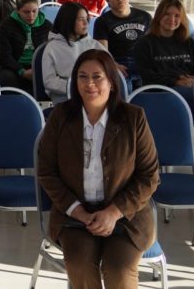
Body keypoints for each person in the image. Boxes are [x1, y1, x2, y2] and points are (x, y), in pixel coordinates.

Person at [36, 50, 160, 289]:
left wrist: (113, 212)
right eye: (82, 77)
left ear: (111, 82)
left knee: (119, 270)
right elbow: (46, 171)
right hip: (75, 215)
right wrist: (77, 211)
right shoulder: (60, 116)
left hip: (126, 215)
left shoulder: (133, 117)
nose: (89, 84)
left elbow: (149, 176)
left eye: (97, 77)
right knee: (80, 265)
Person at [131, 0, 194, 98]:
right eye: (167, 14)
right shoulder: (144, 44)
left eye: (177, 16)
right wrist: (176, 81)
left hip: (189, 86)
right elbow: (147, 75)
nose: (172, 19)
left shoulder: (190, 42)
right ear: (159, 16)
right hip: (159, 90)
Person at [42, 2, 106, 104]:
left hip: (94, 95)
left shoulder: (94, 45)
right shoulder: (52, 47)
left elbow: (108, 72)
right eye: (80, 19)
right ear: (68, 21)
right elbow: (49, 81)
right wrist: (76, 87)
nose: (86, 23)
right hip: (65, 98)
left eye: (86, 19)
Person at [0, 0, 50, 92]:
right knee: (7, 78)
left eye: (34, 11)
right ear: (18, 11)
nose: (31, 16)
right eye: (26, 12)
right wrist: (21, 71)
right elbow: (4, 54)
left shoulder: (47, 26)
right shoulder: (6, 25)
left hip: (39, 66)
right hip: (14, 66)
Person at [91, 0, 151, 70]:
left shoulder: (144, 16)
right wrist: (113, 65)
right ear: (107, 0)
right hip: (118, 62)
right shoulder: (102, 21)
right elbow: (102, 51)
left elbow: (153, 42)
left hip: (142, 60)